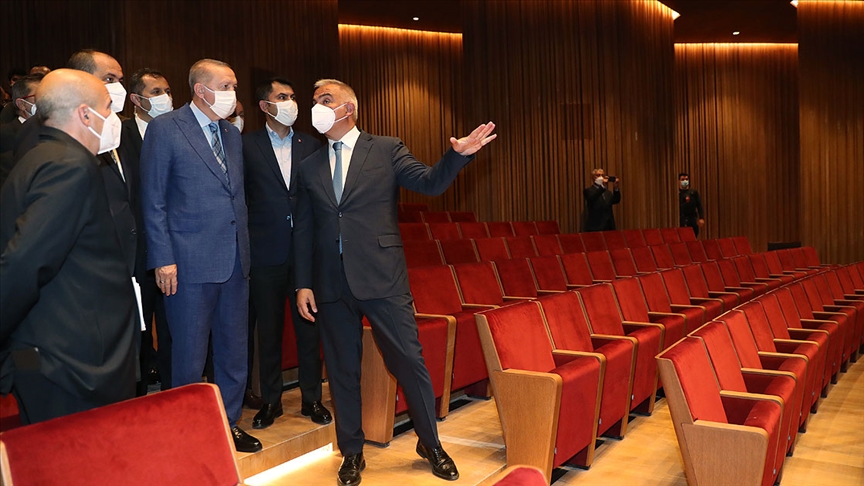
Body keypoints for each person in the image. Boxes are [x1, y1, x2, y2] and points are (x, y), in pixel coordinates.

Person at [294, 78, 496, 485]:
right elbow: (303, 228)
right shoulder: (309, 166)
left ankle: (431, 443)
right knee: (342, 370)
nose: (317, 106)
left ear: (348, 108)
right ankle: (352, 451)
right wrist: (303, 283)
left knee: (408, 361)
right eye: (314, 100)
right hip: (330, 283)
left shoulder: (385, 148)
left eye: (326, 100)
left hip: (382, 276)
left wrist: (456, 156)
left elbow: (429, 182)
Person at [0, 69, 137, 424]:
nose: (113, 118)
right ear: (85, 114)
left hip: (57, 353)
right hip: (70, 365)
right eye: (107, 108)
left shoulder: (42, 155)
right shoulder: (68, 166)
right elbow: (25, 262)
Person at [140, 58, 260, 453]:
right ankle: (186, 432)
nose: (232, 94)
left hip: (235, 260)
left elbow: (235, 196)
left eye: (234, 86)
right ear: (200, 89)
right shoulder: (165, 128)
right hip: (187, 263)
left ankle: (228, 424)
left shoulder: (232, 134)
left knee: (233, 352)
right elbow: (153, 200)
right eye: (225, 86)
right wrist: (163, 258)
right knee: (189, 355)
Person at [244, 77, 329, 429]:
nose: (291, 102)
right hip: (265, 253)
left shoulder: (312, 144)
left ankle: (312, 399)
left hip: (306, 253)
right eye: (282, 97)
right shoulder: (246, 145)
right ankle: (271, 401)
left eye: (293, 96)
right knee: (269, 332)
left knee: (309, 329)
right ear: (265, 106)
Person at [125, 68, 174, 394]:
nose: (165, 98)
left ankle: (174, 396)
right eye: (156, 92)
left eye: (167, 91)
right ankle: (140, 401)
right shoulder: (120, 135)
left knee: (172, 332)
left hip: (173, 250)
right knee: (140, 334)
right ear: (136, 99)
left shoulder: (176, 131)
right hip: (137, 252)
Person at [1, 74, 43, 186]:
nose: (45, 101)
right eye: (39, 96)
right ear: (21, 104)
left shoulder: (56, 130)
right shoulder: (5, 135)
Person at [582, 168, 620, 232]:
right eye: (598, 175)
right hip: (596, 226)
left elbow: (616, 200)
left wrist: (616, 188)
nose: (601, 177)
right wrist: (602, 187)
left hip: (608, 226)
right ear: (593, 177)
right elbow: (592, 198)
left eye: (602, 175)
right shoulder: (588, 191)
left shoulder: (607, 192)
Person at [678, 172, 705, 237]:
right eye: (683, 179)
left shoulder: (693, 192)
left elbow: (699, 205)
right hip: (682, 219)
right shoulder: (678, 193)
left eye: (686, 179)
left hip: (692, 219)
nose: (685, 181)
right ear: (679, 181)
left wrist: (701, 217)